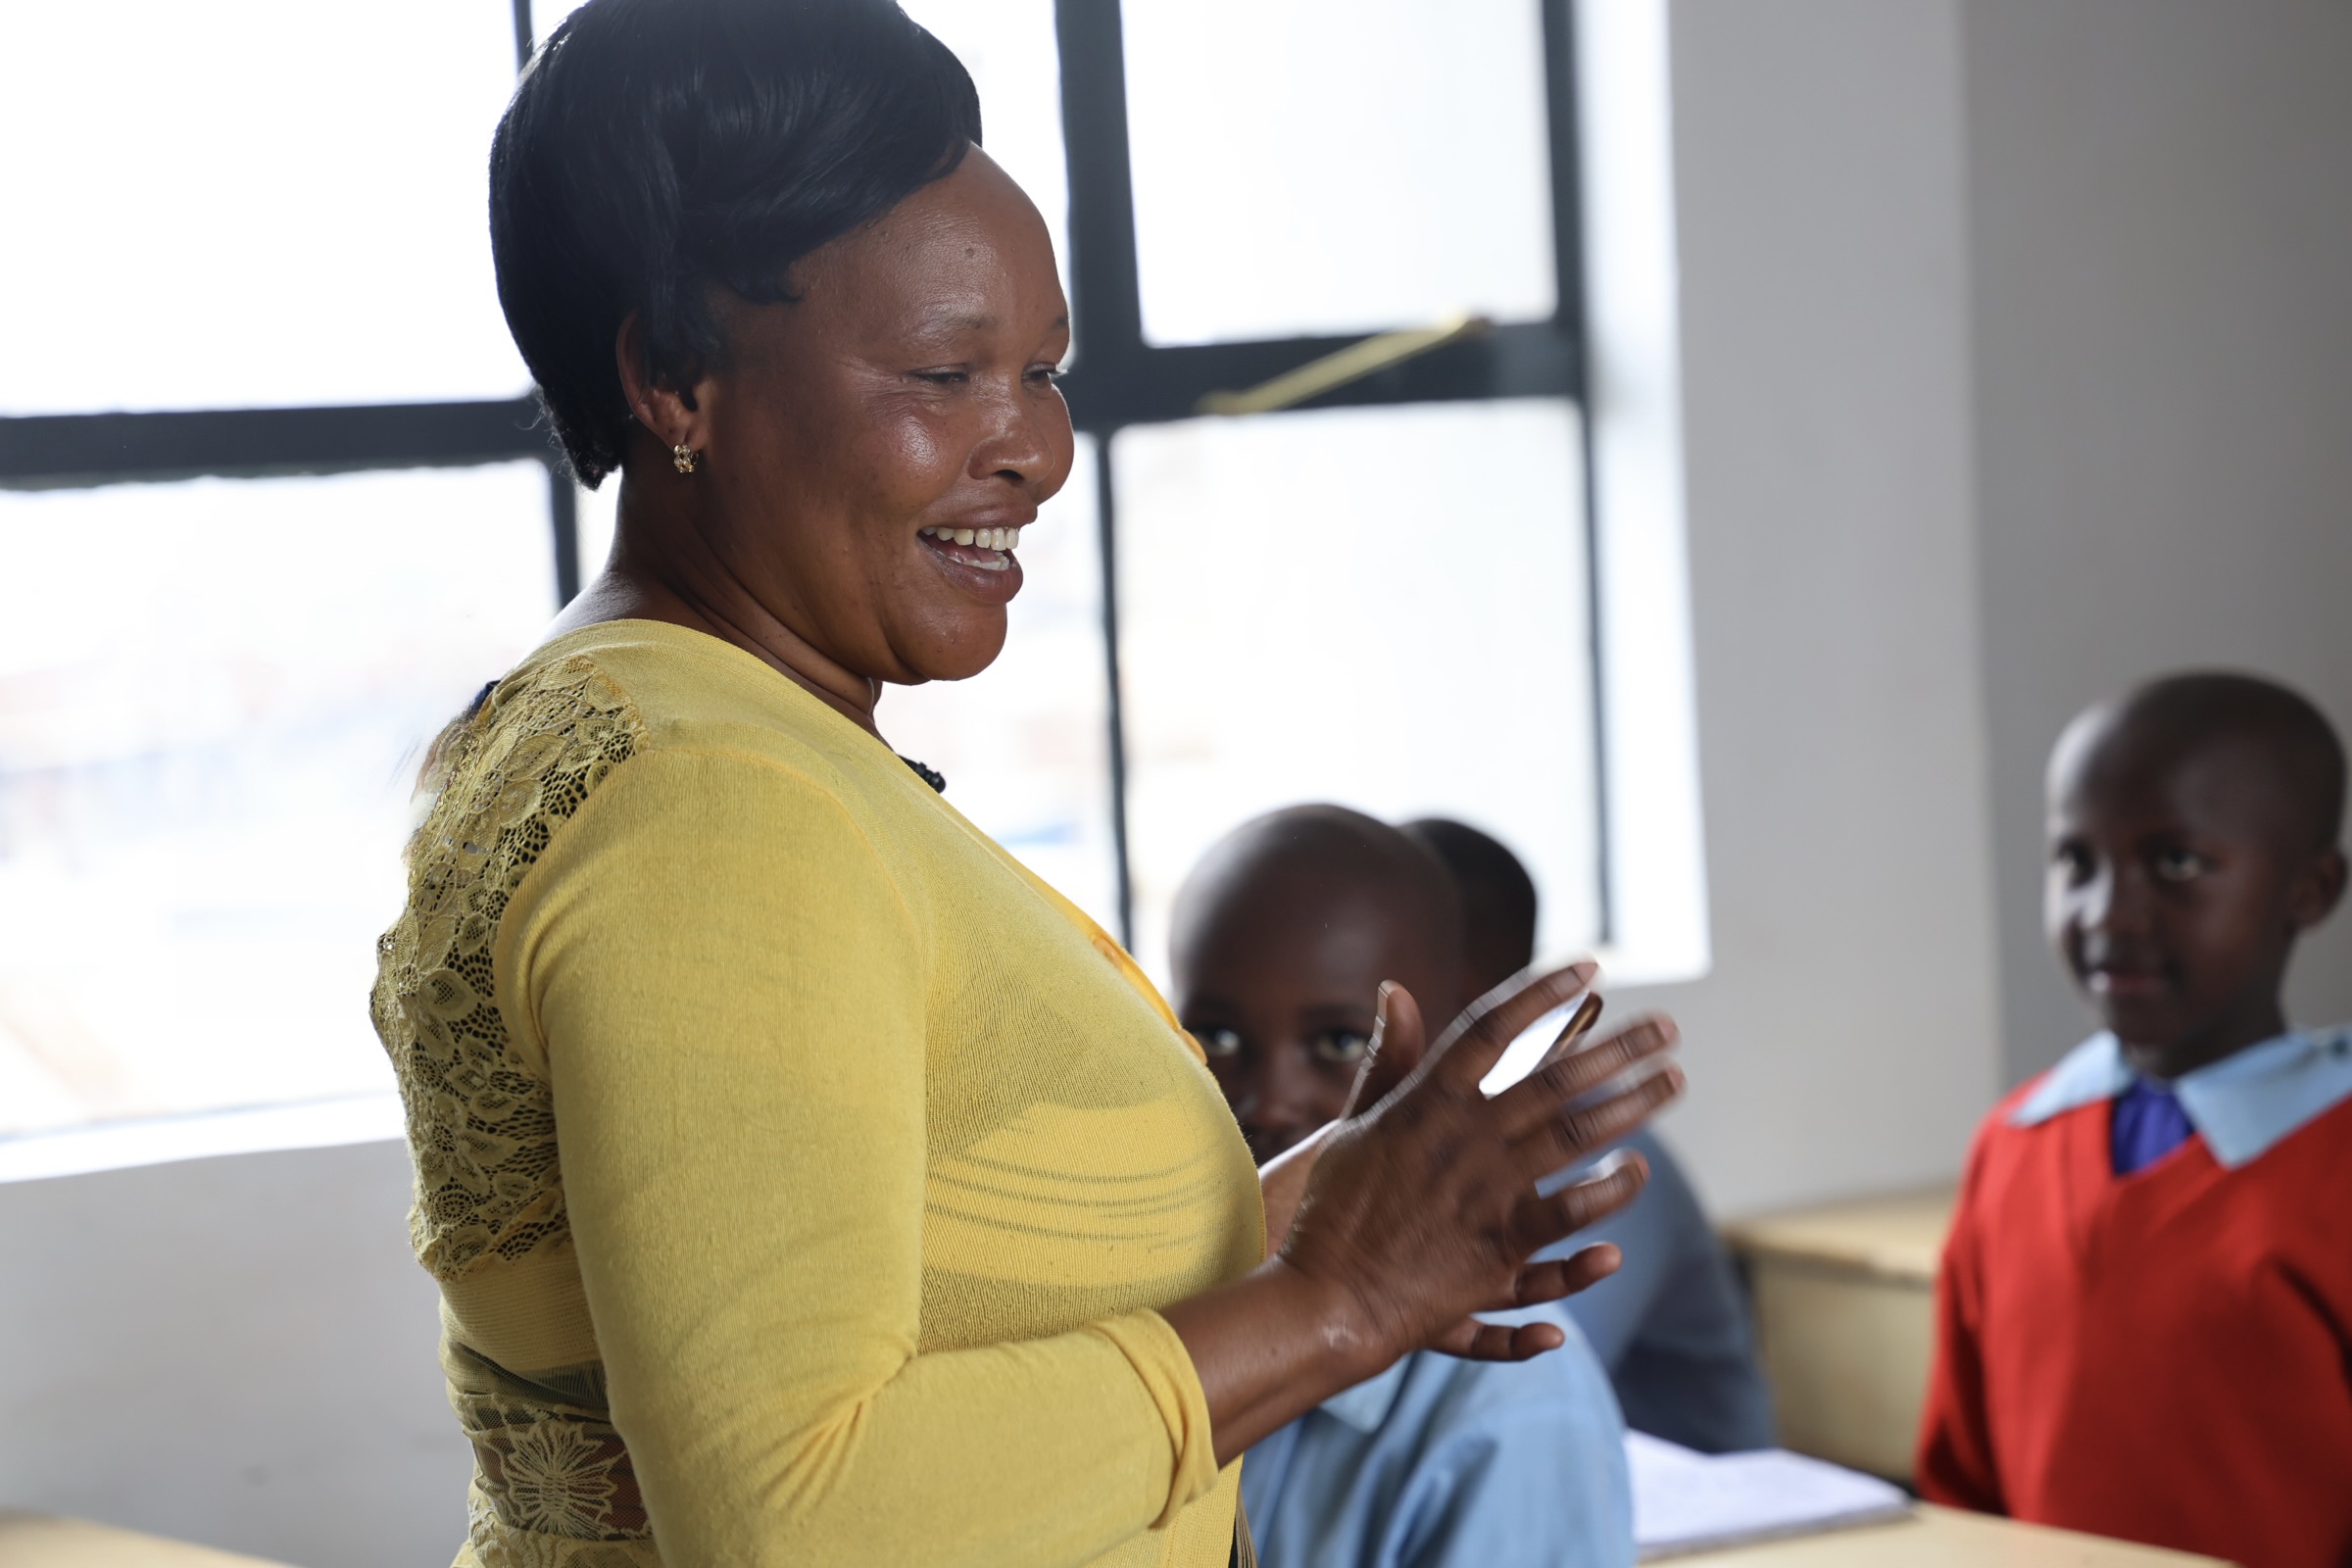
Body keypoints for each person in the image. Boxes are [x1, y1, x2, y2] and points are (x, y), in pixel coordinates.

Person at [368, 4, 1686, 1565]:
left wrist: (1280, 1229)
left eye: (1044, 373)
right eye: (946, 372)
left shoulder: (656, 734)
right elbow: (801, 1514)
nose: (1037, 453)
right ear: (676, 381)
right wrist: (1330, 1310)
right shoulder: (715, 803)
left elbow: (905, 1293)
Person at [1916, 672, 2352, 1568]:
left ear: (2309, 891)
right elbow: (1962, 1478)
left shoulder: (2334, 1165)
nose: (2109, 912)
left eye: (2177, 864)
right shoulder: (2014, 1146)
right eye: (2076, 861)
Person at [1172, 807, 1637, 1568]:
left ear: (1452, 1056)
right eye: (1216, 1038)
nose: (1271, 1101)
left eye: (1343, 1043)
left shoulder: (1506, 1407)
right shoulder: (1159, 1305)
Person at [1402, 819, 1774, 1453]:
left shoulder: (1586, 1152)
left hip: (1705, 1524)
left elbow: (1505, 1394)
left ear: (1460, 976)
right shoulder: (1422, 1142)